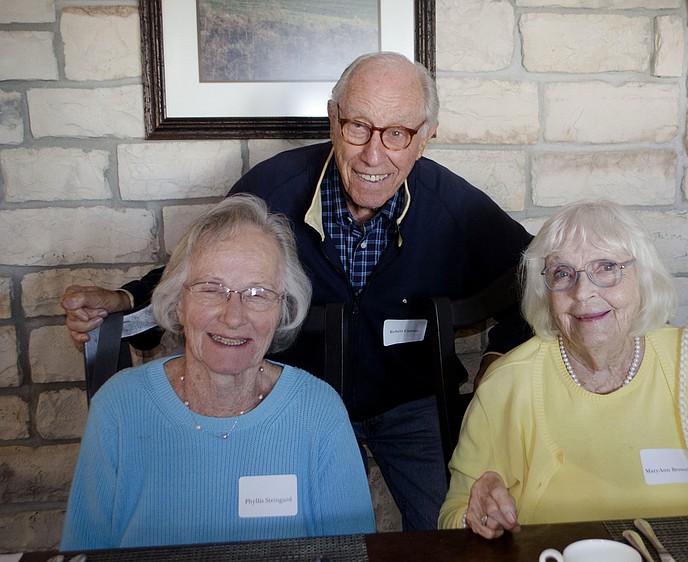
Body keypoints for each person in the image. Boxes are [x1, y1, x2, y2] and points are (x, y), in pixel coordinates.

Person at [60, 52, 533, 530]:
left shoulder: (454, 206)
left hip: (410, 404)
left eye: (397, 134)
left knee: (450, 532)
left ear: (426, 135)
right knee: (269, 528)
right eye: (358, 127)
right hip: (296, 402)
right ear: (333, 119)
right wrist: (126, 301)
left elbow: (540, 276)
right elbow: (204, 271)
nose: (373, 155)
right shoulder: (274, 188)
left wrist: (497, 360)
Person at [438, 200, 688, 538]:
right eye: (562, 273)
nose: (583, 293)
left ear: (642, 278)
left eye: (606, 267)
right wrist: (476, 517)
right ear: (545, 293)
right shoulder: (506, 386)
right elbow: (454, 516)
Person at [61, 195, 375, 550]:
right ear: (178, 302)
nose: (234, 316)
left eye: (257, 293)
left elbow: (350, 553)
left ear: (282, 309)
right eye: (211, 289)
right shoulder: (119, 407)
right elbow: (83, 552)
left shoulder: (319, 412)